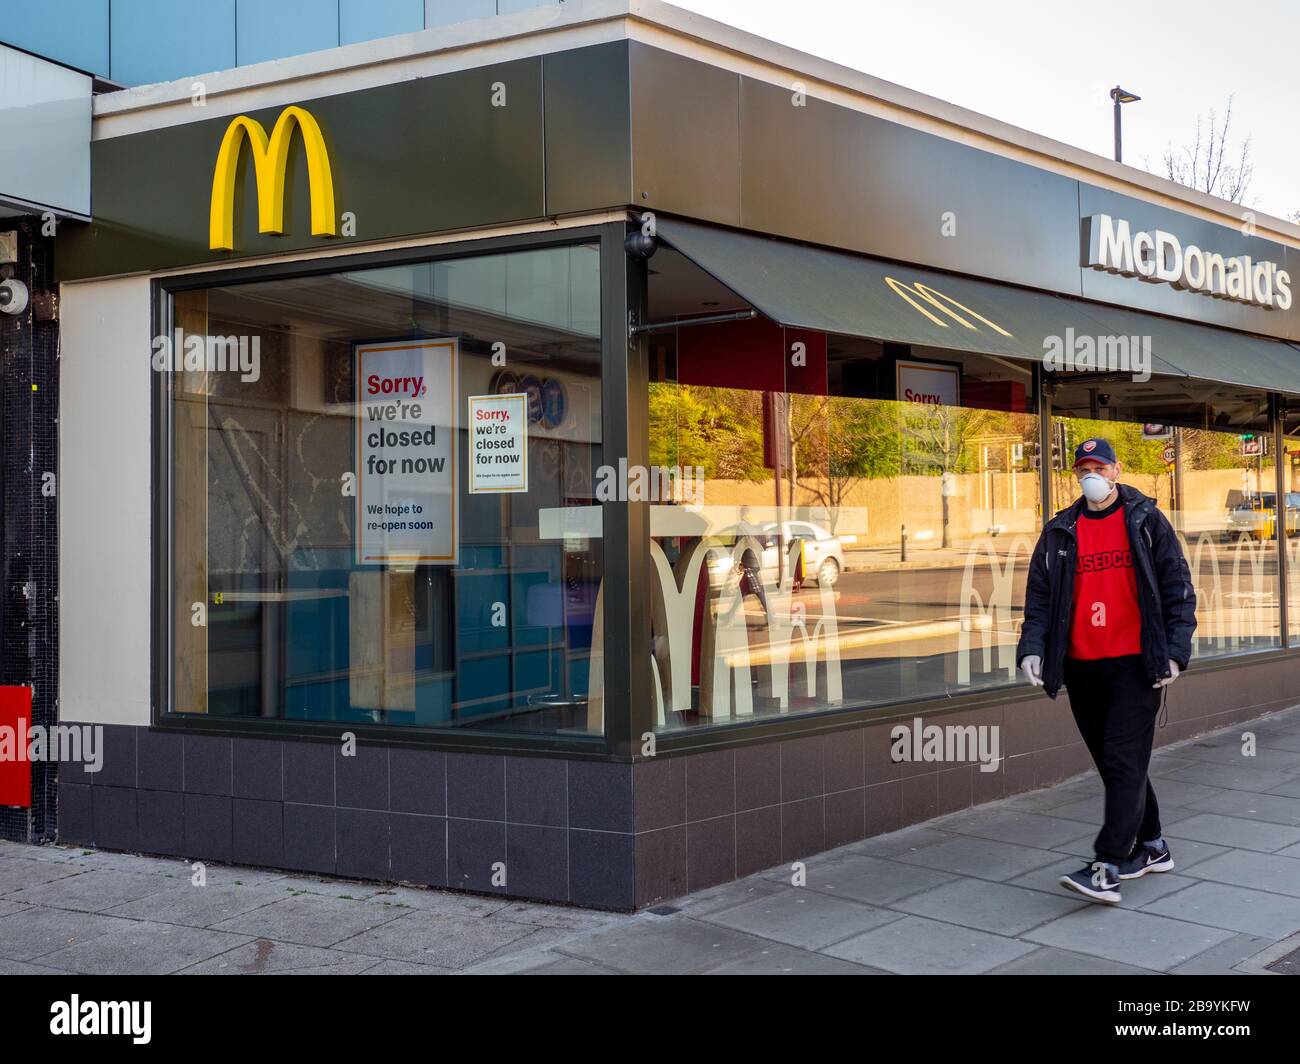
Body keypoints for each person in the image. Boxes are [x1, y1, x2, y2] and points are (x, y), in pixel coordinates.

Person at [1016, 437, 1196, 904]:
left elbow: (1177, 587)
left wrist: (1176, 652)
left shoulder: (1145, 521)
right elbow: (1039, 598)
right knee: (1118, 763)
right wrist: (1032, 649)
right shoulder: (1061, 530)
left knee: (1121, 760)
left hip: (1136, 665)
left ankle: (1108, 864)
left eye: (1099, 466)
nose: (1090, 474)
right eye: (1083, 468)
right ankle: (1153, 845)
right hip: (1081, 668)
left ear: (1116, 471)